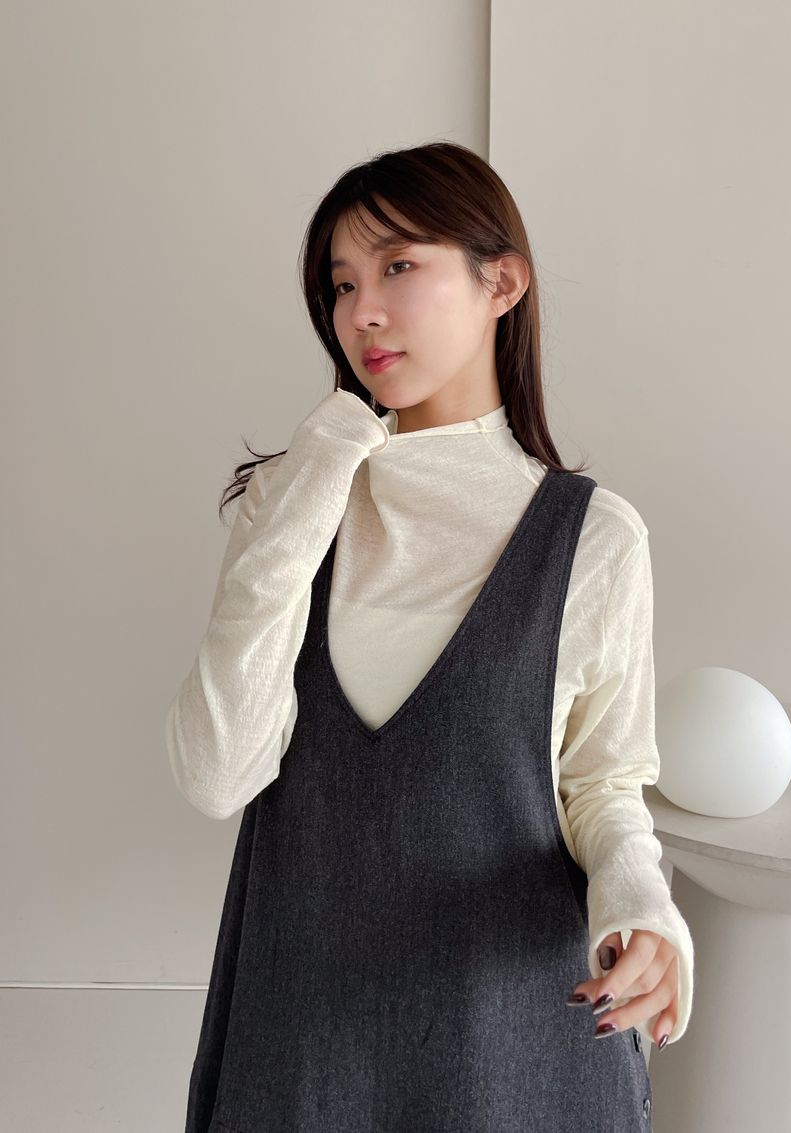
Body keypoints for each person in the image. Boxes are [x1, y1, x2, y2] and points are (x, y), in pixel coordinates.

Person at [166, 140, 693, 1132]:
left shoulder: (593, 537)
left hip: (516, 1041)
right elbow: (215, 771)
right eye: (342, 283)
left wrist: (640, 903)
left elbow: (602, 782)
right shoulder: (293, 502)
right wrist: (317, 472)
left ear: (503, 282)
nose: (362, 310)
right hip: (300, 1038)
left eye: (399, 266)